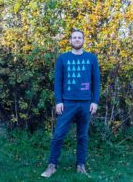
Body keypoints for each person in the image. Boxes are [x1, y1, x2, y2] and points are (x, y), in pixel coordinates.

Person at [41, 29, 101, 178]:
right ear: (70, 40)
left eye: (79, 37)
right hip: (67, 103)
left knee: (82, 136)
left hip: (85, 103)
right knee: (58, 135)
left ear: (83, 40)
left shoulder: (91, 58)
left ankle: (80, 165)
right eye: (74, 37)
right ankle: (52, 165)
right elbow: (58, 82)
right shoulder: (63, 59)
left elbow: (96, 81)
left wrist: (95, 101)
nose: (76, 39)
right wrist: (58, 101)